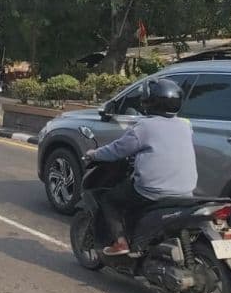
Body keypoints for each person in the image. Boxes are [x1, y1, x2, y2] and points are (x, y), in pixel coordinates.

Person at [84, 78, 196, 256]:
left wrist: (93, 154)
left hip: (152, 191)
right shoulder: (186, 126)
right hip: (186, 192)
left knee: (109, 200)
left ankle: (120, 243)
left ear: (150, 102)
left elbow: (117, 150)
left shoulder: (144, 127)